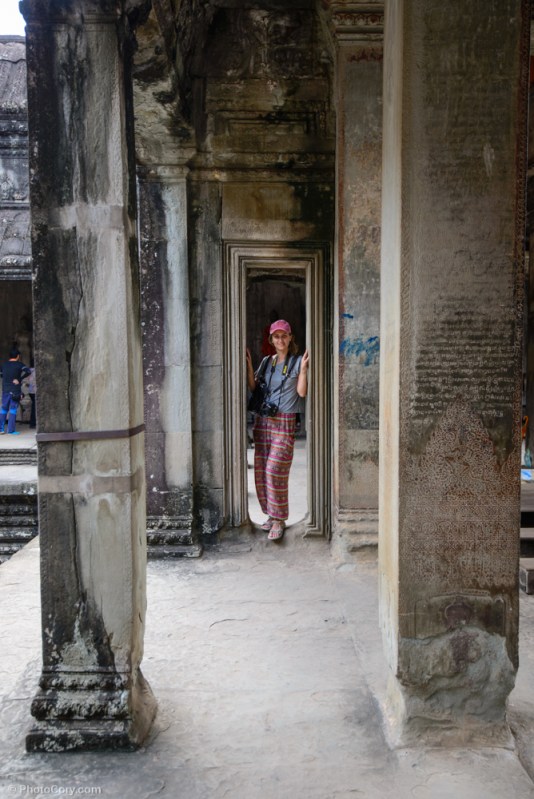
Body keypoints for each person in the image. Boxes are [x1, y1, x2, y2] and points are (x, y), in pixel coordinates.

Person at [246, 319, 309, 541]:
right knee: (262, 471)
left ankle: (280, 519)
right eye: (276, 336)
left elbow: (301, 393)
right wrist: (249, 368)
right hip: (264, 422)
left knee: (274, 470)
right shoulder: (266, 362)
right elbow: (256, 389)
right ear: (271, 340)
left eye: (284, 335)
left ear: (290, 338)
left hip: (284, 422)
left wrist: (302, 371)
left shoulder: (296, 361)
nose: (280, 339)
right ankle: (271, 516)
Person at [0, 347, 31, 435]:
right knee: (13, 410)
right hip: (15, 390)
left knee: (3, 409)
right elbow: (28, 371)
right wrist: (19, 379)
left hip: (5, 390)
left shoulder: (4, 365)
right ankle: (11, 430)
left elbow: (1, 375)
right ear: (17, 356)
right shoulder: (19, 364)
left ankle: (1, 429)